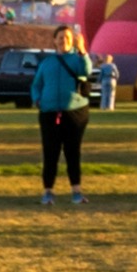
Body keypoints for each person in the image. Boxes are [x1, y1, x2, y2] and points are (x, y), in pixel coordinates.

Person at [30, 35, 88, 199]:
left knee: (72, 152)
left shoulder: (77, 60)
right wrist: (37, 99)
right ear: (54, 40)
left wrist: (82, 49)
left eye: (68, 37)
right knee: (50, 153)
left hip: (74, 112)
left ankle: (76, 191)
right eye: (61, 37)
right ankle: (48, 191)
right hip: (49, 112)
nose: (64, 40)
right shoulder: (47, 62)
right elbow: (36, 85)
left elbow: (86, 70)